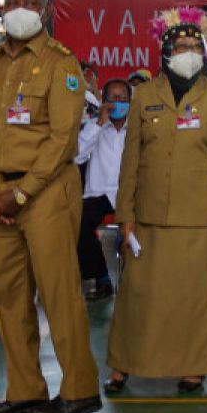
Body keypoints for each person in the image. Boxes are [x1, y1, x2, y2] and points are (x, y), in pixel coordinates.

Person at [0, 0, 101, 413]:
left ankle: (80, 389)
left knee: (59, 292)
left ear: (44, 12)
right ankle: (24, 389)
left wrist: (21, 193)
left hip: (43, 192)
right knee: (7, 299)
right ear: (2, 9)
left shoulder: (61, 64)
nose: (21, 9)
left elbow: (63, 139)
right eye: (13, 2)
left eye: (30, 3)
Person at [105, 9, 207, 395]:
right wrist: (125, 214)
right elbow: (130, 160)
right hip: (147, 216)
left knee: (193, 300)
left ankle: (193, 369)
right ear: (166, 51)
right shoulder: (145, 95)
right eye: (180, 46)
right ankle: (122, 367)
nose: (188, 52)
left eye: (194, 45)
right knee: (137, 296)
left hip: (198, 217)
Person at [76, 78, 131, 301]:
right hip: (99, 194)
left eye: (122, 99)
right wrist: (100, 122)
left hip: (129, 193)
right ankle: (102, 278)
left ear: (130, 101)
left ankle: (137, 278)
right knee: (76, 220)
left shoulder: (139, 128)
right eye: (111, 98)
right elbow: (76, 155)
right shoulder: (94, 125)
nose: (116, 103)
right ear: (103, 100)